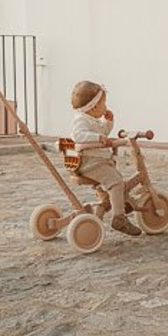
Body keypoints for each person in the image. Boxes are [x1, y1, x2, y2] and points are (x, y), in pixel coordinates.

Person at [70, 81, 142, 236]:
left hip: (97, 161)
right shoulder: (81, 120)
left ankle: (108, 201)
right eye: (104, 103)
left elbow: (102, 133)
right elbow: (78, 135)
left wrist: (109, 122)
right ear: (94, 106)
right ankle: (119, 218)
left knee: (116, 178)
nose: (105, 107)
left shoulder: (92, 120)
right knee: (116, 182)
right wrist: (98, 138)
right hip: (91, 163)